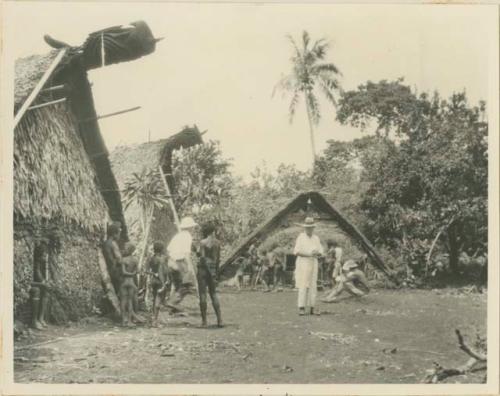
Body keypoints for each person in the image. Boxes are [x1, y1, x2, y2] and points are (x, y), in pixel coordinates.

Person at [293, 217, 324, 316]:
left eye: (311, 228)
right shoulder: (301, 237)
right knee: (303, 284)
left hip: (313, 262)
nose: (309, 229)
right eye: (307, 227)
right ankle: (301, 307)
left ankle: (312, 307)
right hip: (303, 262)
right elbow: (297, 251)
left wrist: (317, 253)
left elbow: (321, 251)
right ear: (305, 228)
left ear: (313, 228)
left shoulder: (316, 238)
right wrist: (309, 254)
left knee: (313, 285)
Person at [167, 216, 198, 305]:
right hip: (179, 262)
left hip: (171, 261)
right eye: (192, 227)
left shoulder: (177, 236)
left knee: (177, 285)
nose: (193, 229)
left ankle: (173, 307)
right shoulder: (188, 236)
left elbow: (168, 249)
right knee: (186, 285)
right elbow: (186, 253)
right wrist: (189, 267)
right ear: (190, 227)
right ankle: (172, 303)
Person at [197, 223, 223, 328]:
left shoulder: (203, 242)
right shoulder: (218, 243)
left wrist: (198, 254)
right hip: (212, 269)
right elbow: (217, 259)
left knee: (203, 295)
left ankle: (204, 321)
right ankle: (219, 320)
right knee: (213, 294)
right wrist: (215, 273)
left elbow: (202, 258)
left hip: (203, 269)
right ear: (213, 231)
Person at [30, 240, 51, 330]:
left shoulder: (42, 265)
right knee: (37, 290)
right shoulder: (33, 263)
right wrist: (42, 284)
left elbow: (43, 279)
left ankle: (41, 318)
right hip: (32, 286)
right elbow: (28, 282)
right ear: (39, 255)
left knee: (46, 291)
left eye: (46, 255)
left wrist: (45, 283)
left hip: (37, 284)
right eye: (44, 255)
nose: (45, 257)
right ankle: (34, 321)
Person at [146, 242, 168, 327]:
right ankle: (154, 321)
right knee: (158, 301)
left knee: (155, 299)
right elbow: (164, 271)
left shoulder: (151, 258)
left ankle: (153, 319)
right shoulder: (163, 259)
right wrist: (165, 283)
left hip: (153, 280)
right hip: (160, 281)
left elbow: (146, 270)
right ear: (162, 249)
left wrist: (154, 274)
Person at [120, 242, 139, 327]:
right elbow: (136, 272)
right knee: (130, 301)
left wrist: (128, 274)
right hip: (131, 282)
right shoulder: (135, 260)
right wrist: (132, 274)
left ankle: (124, 320)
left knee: (123, 301)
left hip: (124, 282)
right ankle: (130, 321)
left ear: (128, 249)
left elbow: (123, 272)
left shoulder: (123, 259)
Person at [102, 222, 122, 294]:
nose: (119, 235)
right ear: (114, 234)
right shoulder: (113, 244)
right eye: (119, 233)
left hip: (109, 270)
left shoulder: (105, 243)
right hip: (115, 271)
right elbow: (119, 260)